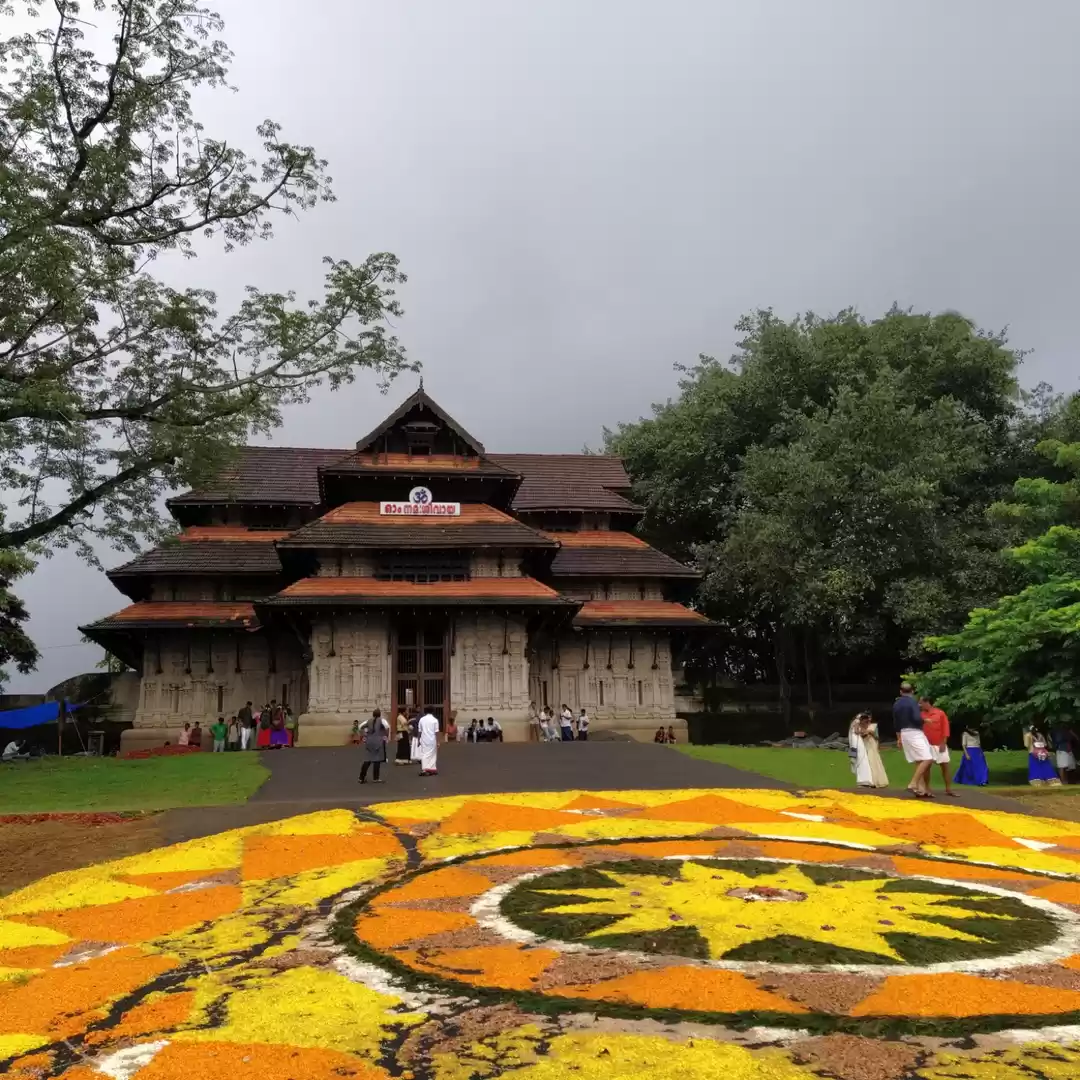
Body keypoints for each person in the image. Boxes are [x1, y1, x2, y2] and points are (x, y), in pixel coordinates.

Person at [893, 682, 933, 797]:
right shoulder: (912, 702)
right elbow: (916, 718)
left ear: (900, 692)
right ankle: (913, 783)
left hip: (904, 733)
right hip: (914, 732)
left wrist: (899, 738)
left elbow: (896, 723)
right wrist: (925, 721)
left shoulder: (896, 704)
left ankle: (921, 789)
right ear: (912, 691)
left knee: (919, 759)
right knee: (927, 758)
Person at [919, 696, 955, 797]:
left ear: (927, 703)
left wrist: (944, 742)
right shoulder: (920, 715)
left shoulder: (940, 713)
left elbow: (945, 728)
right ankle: (927, 788)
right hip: (926, 745)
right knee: (926, 767)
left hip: (939, 744)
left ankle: (948, 788)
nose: (920, 705)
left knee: (945, 766)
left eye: (921, 703)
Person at [848, 712, 888, 788]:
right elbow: (857, 732)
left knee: (867, 759)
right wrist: (864, 732)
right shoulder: (857, 723)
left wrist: (868, 732)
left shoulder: (869, 725)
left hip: (863, 742)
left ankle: (869, 780)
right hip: (859, 742)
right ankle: (866, 780)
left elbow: (875, 736)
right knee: (863, 760)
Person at [358, 709, 389, 784]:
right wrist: (386, 736)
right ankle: (376, 778)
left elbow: (360, 727)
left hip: (369, 741)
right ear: (380, 714)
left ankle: (361, 777)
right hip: (378, 741)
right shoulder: (382, 720)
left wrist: (364, 734)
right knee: (377, 759)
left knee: (368, 759)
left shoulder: (368, 721)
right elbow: (387, 727)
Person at [417, 709, 440, 775]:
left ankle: (425, 769)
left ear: (425, 712)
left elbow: (419, 731)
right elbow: (437, 732)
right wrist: (438, 741)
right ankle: (432, 768)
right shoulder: (435, 720)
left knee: (424, 753)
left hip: (424, 739)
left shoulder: (422, 719)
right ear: (433, 712)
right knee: (432, 754)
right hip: (432, 739)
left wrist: (419, 740)